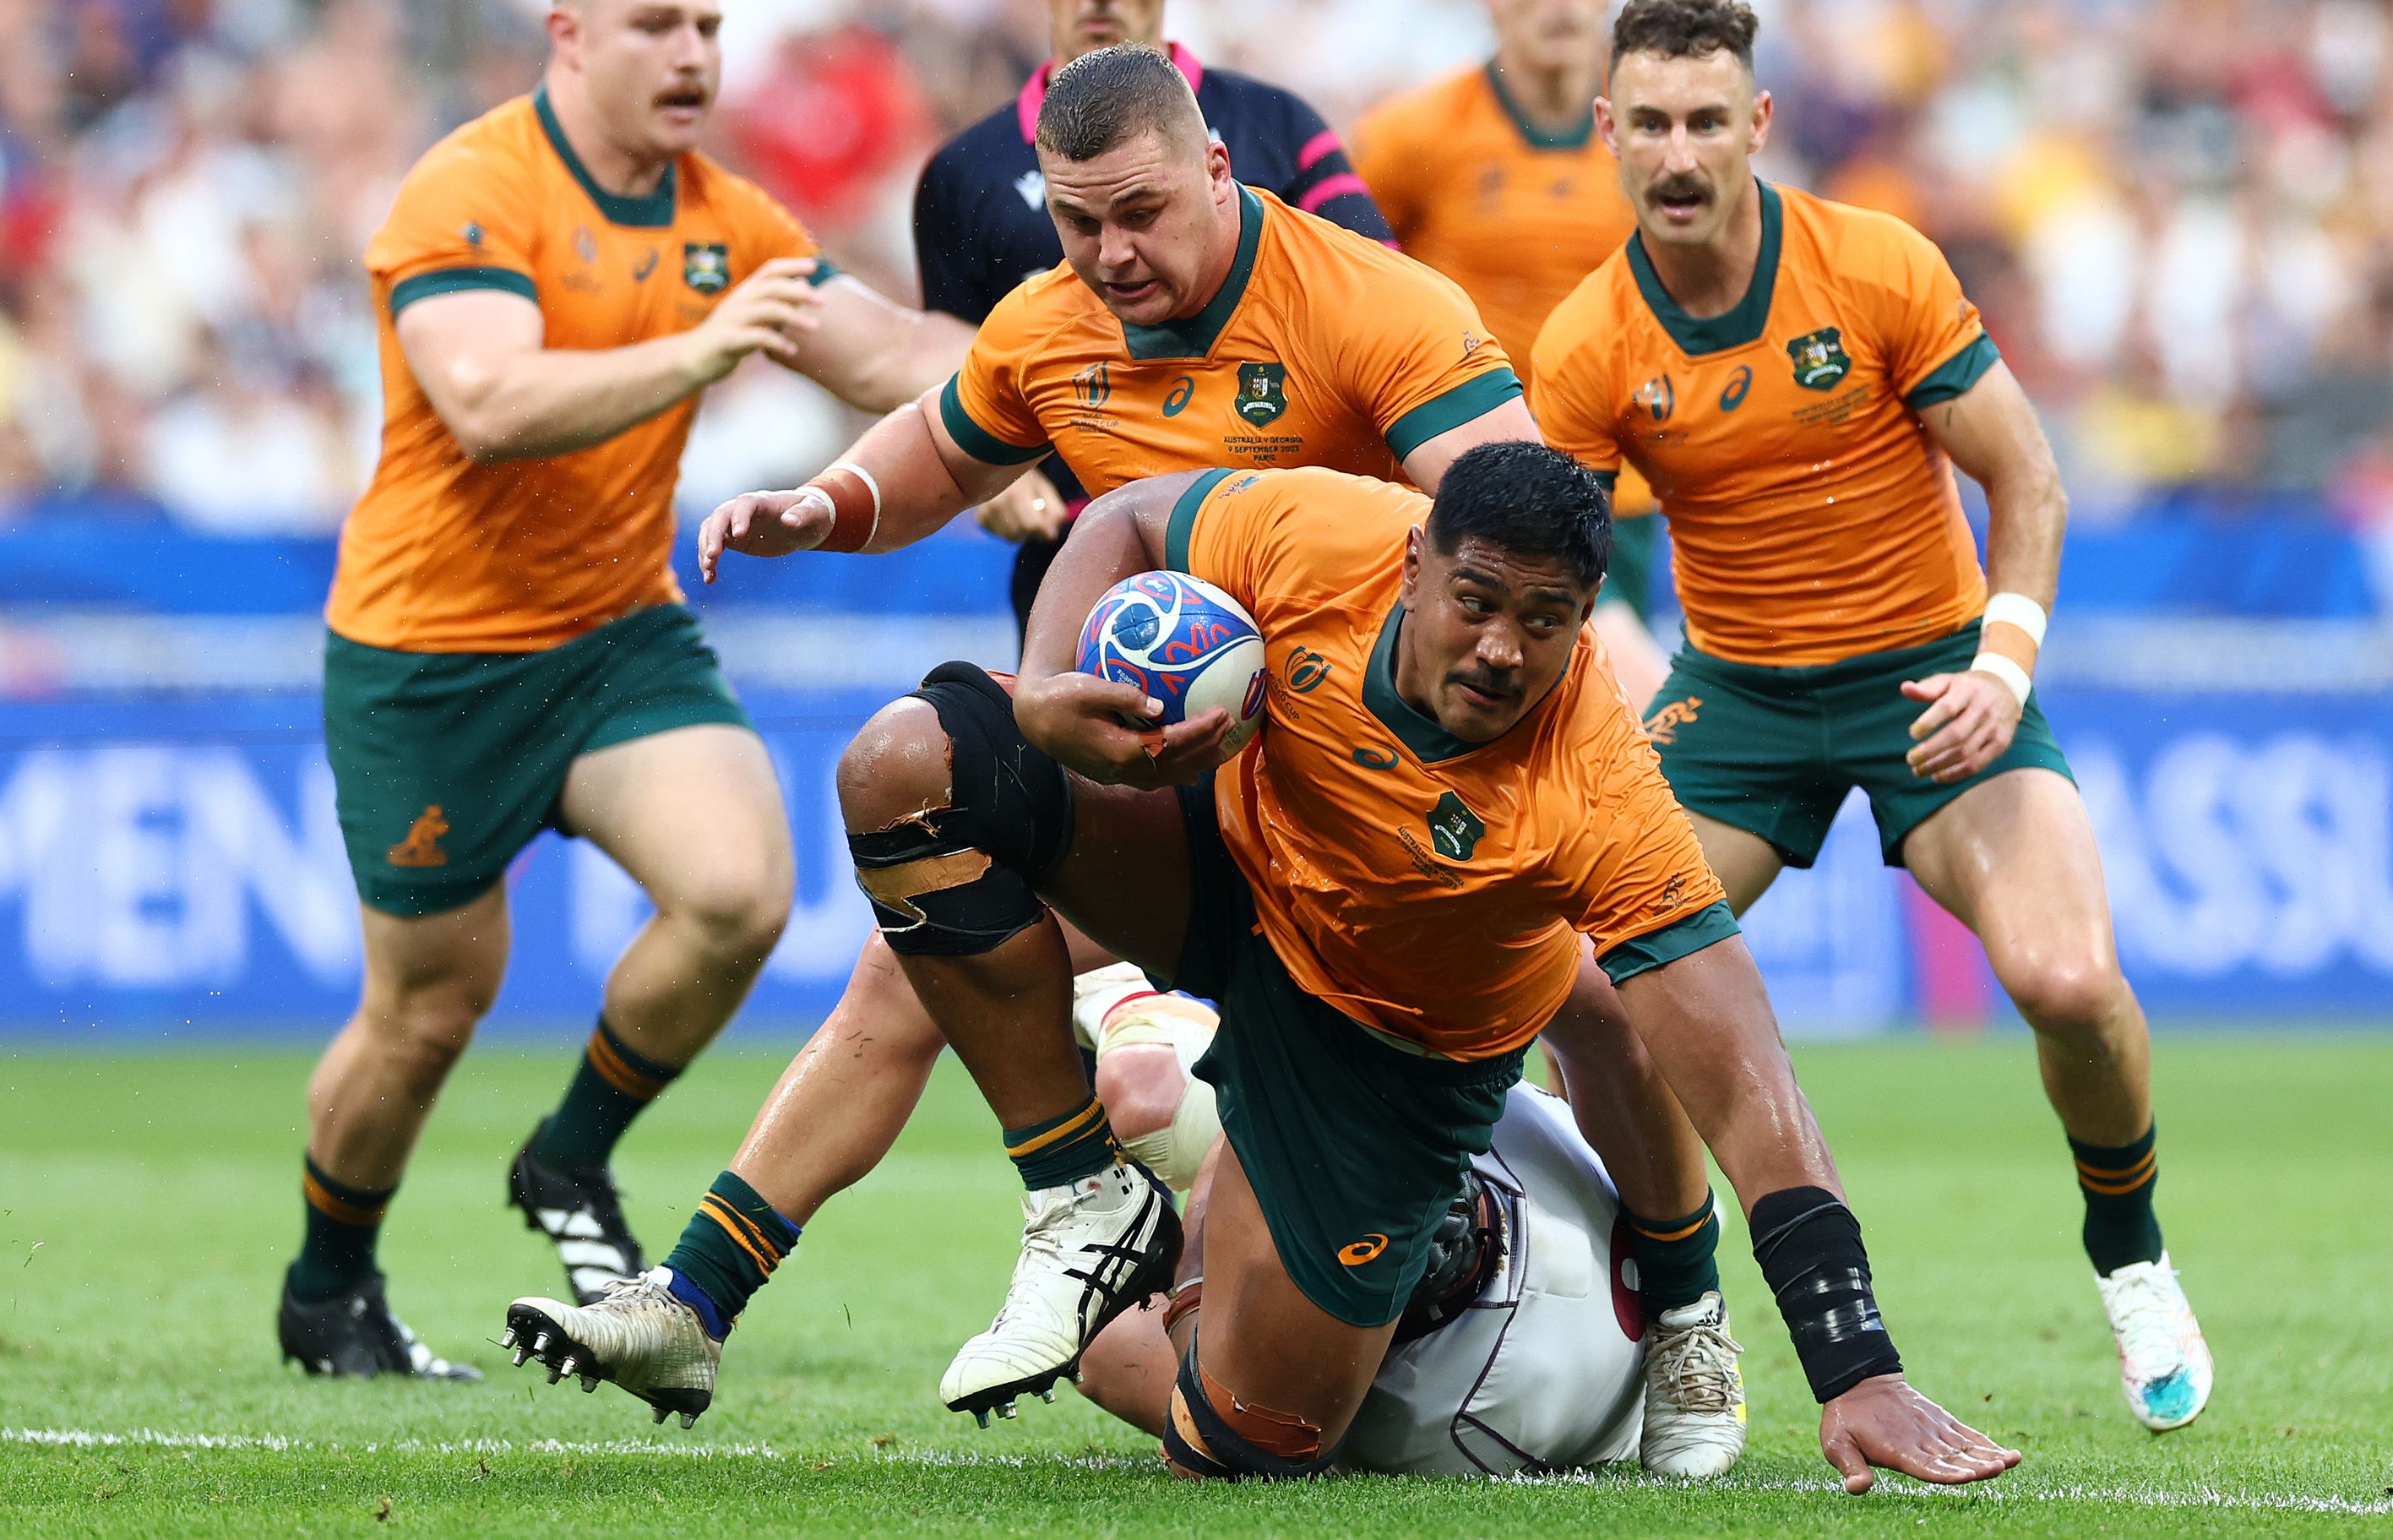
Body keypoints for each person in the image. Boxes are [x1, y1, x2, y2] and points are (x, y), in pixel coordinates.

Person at [501, 46, 1737, 1464]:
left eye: (1139, 214)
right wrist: (825, 505)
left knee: (1600, 990)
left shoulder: (1375, 308)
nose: (1109, 252)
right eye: (1079, 223)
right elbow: (943, 445)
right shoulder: (1049, 319)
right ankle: (736, 1284)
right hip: (1160, 786)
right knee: (912, 939)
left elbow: (1517, 530)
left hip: (1358, 798)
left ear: (1219, 165)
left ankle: (1687, 1305)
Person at [505, 448, 2020, 1494]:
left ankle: (1164, 1274)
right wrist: (1041, 692)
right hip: (1227, 874)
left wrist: (1853, 1357)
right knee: (908, 764)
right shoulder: (1321, 531)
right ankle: (1080, 1180)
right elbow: (1130, 516)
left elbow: (1746, 1077)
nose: (1501, 648)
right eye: (1477, 598)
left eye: (1547, 622)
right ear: (1416, 559)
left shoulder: (1597, 786)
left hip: (1389, 1054)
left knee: (1247, 1441)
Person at [1529, 0, 2212, 1430]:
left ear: (1757, 127)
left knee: (2071, 981)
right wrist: (1617, 652)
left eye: (1706, 120)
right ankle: (1686, 1305)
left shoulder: (1878, 263)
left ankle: (2130, 1246)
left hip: (1932, 679)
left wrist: (2003, 668)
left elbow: (2029, 481)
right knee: (1591, 993)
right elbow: (1559, 570)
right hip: (1738, 700)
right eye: (1648, 121)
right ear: (1608, 135)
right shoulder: (1589, 342)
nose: (1678, 149)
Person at [279, 0, 974, 1380]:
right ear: (571, 34)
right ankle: (327, 1283)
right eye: (657, 25)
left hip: (614, 632)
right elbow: (485, 396)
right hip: (431, 656)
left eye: (710, 27)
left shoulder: (725, 216)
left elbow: (893, 351)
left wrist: (1036, 409)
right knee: (427, 1007)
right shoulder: (473, 185)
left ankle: (568, 1156)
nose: (694, 57)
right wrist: (703, 351)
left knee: (739, 892)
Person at [913, 0, 1391, 646]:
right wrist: (994, 471)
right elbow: (947, 353)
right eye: (1078, 219)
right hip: (1083, 556)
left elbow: (1377, 299)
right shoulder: (965, 170)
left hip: (1291, 547)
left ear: (1215, 167)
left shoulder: (1274, 123)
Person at [1075, 1069, 1659, 1477]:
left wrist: (1197, 1281)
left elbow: (1156, 1382)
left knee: (1101, 1334)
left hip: (1547, 1386)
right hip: (1610, 1276)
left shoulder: (1441, 1421)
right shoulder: (1512, 1117)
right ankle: (1693, 1300)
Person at [1351, 0, 1669, 707]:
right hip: (1461, 482)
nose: (1558, 8)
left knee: (1602, 723)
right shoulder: (1412, 137)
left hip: (1615, 489)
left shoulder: (1659, 141)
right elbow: (1334, 280)